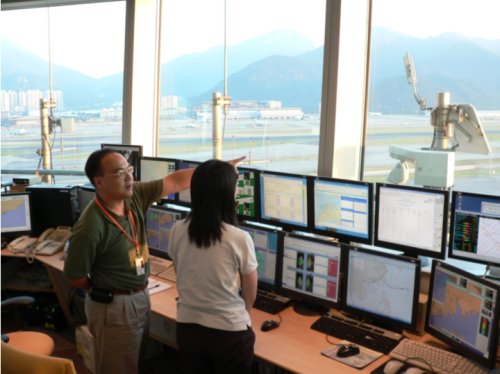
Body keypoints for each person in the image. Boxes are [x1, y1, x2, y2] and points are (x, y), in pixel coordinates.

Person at [63, 149, 243, 374]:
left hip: (140, 296)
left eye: (129, 170)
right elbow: (74, 274)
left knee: (137, 363)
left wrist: (218, 169)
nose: (130, 178)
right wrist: (103, 289)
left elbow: (175, 181)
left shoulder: (134, 195)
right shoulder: (90, 226)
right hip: (113, 306)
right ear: (98, 181)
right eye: (120, 173)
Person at [168, 159, 258, 374]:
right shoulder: (239, 238)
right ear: (226, 193)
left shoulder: (177, 229)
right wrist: (239, 315)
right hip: (229, 334)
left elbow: (180, 272)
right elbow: (250, 294)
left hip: (188, 329)